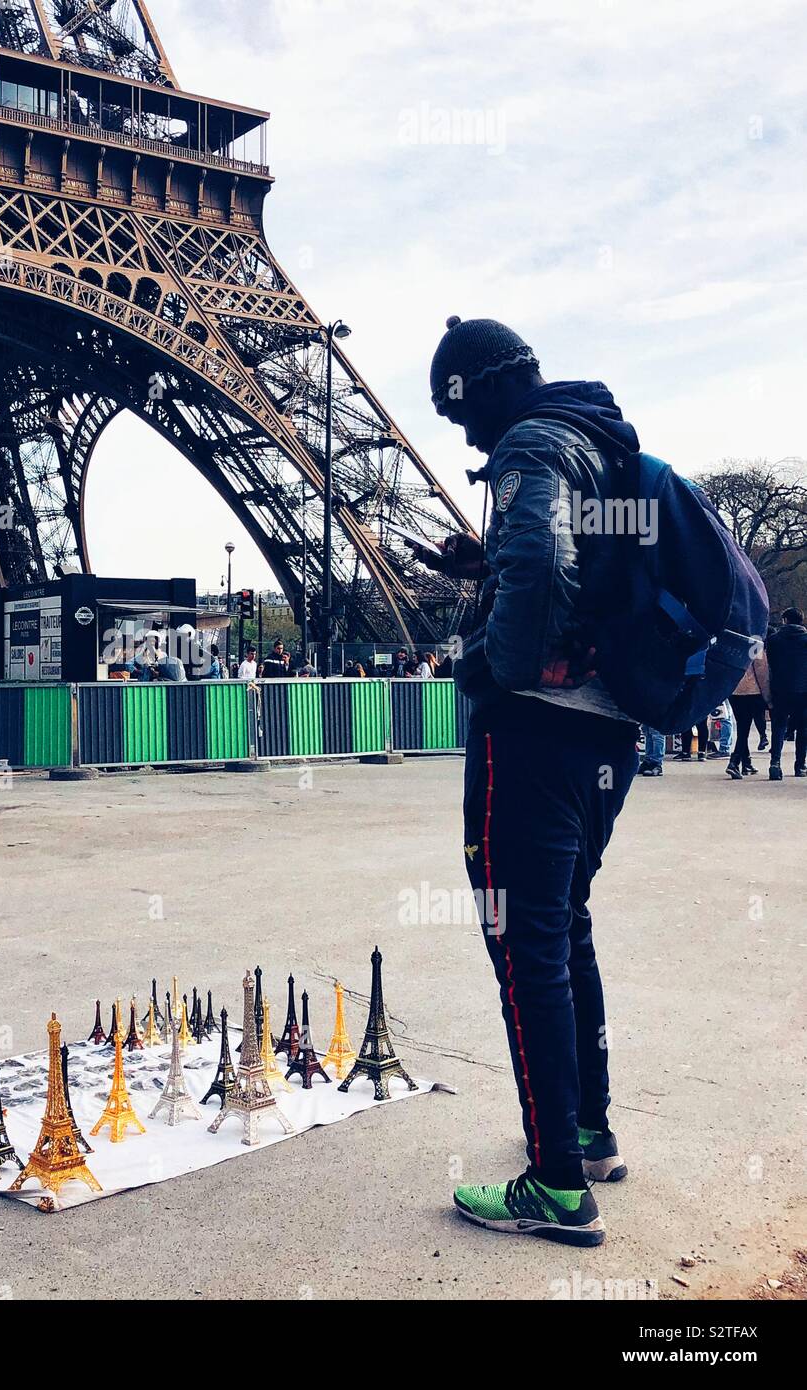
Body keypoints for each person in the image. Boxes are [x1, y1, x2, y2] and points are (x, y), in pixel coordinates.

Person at [421, 316, 641, 1246]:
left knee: (521, 943)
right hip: (608, 733)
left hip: (536, 735)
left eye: (457, 411)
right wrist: (490, 563)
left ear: (487, 387)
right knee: (565, 930)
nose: (463, 437)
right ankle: (586, 1134)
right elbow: (578, 556)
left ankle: (555, 1184)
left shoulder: (527, 443)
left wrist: (486, 668)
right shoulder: (598, 438)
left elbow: (543, 560)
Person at [765, 607, 807, 780]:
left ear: (785, 620)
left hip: (780, 689)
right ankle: (800, 765)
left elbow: (768, 666)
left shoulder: (774, 640)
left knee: (779, 727)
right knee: (803, 729)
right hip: (804, 691)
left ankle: (775, 763)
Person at [726, 650, 771, 779]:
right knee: (743, 730)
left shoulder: (733, 639)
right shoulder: (755, 642)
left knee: (741, 727)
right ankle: (734, 762)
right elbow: (761, 671)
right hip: (751, 690)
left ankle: (746, 763)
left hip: (733, 690)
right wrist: (767, 696)